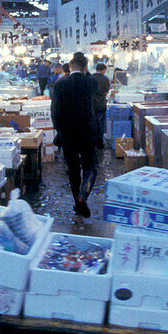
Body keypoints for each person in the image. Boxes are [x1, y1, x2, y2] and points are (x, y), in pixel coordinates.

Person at [51, 52, 99, 217]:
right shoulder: (90, 82)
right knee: (90, 166)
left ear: (70, 66)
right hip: (87, 132)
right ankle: (82, 197)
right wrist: (86, 71)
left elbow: (55, 111)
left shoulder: (60, 84)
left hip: (67, 133)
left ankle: (77, 202)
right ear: (85, 67)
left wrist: (59, 130)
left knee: (72, 168)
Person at [92, 62, 112, 149]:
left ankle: (93, 143)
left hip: (91, 106)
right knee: (101, 125)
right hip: (101, 105)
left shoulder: (90, 78)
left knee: (93, 125)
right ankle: (100, 143)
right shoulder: (105, 79)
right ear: (103, 70)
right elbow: (107, 91)